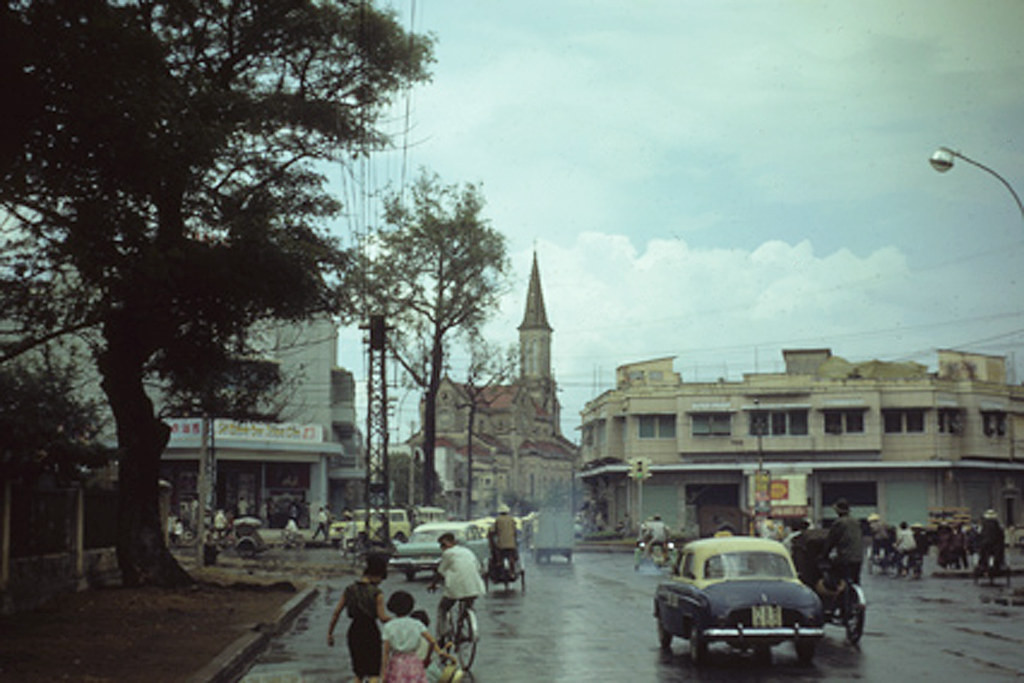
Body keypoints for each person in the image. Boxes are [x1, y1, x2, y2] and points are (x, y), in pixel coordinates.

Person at [328, 553, 392, 683]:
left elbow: (336, 612)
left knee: (359, 672)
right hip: (370, 632)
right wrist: (399, 620)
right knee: (374, 672)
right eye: (381, 578)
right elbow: (382, 617)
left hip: (354, 631)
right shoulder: (377, 593)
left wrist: (330, 633)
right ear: (377, 574)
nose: (380, 582)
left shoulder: (349, 590)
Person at [428, 532, 485, 639]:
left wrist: (433, 584)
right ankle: (462, 625)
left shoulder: (448, 554)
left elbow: (440, 572)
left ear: (448, 544)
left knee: (443, 608)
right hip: (475, 587)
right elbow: (478, 567)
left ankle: (443, 632)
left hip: (456, 589)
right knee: (467, 604)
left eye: (443, 545)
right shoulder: (467, 551)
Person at [381, 591, 448, 683]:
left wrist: (384, 673)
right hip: (414, 661)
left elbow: (386, 652)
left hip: (397, 662)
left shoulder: (388, 626)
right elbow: (431, 641)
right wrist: (438, 652)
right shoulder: (417, 624)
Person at [825, 498, 863, 587]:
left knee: (833, 571)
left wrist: (824, 554)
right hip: (859, 558)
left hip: (845, 558)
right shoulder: (856, 522)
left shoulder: (839, 523)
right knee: (855, 580)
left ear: (838, 510)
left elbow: (830, 541)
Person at [489, 504, 519, 575]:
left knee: (499, 556)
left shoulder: (498, 519)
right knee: (512, 557)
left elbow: (493, 531)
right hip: (512, 545)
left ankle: (500, 568)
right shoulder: (511, 519)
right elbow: (515, 531)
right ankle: (512, 571)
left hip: (501, 545)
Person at [976, 509, 1006, 577]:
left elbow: (979, 535)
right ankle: (998, 566)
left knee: (983, 555)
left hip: (985, 544)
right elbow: (1001, 536)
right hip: (996, 546)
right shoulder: (997, 524)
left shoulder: (983, 525)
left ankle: (983, 566)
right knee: (999, 554)